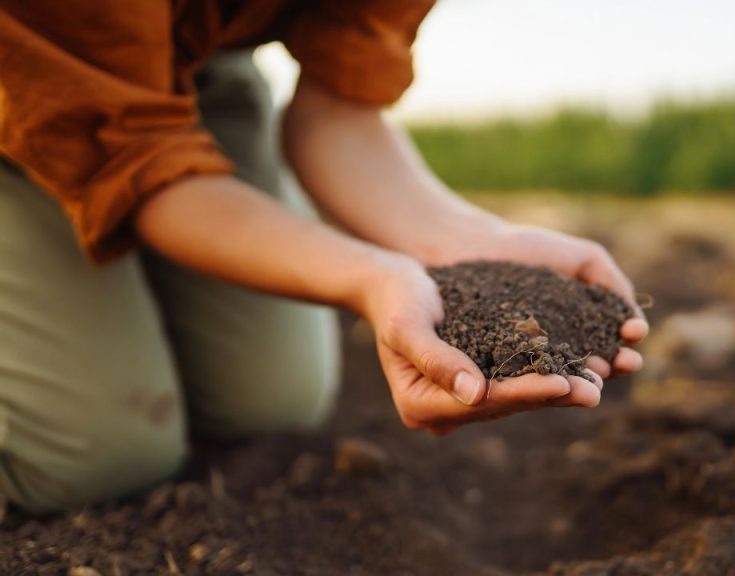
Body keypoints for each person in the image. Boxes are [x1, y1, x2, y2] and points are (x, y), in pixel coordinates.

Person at [0, 1, 647, 512]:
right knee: (98, 456)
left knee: (270, 402)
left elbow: (339, 112)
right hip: (26, 67)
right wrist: (368, 277)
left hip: (191, 68)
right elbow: (137, 161)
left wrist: (470, 243)